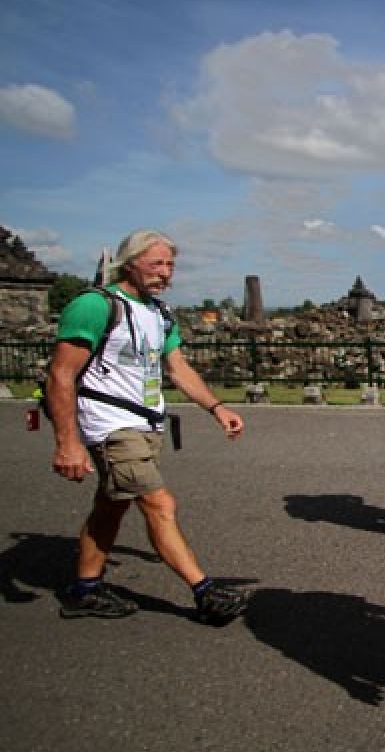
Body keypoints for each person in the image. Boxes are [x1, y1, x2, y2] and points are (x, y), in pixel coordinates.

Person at [46, 229, 249, 625]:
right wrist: (67, 443)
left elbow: (178, 368)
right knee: (159, 502)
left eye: (170, 265)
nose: (165, 272)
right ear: (130, 262)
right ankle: (204, 591)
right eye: (157, 263)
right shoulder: (94, 306)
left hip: (145, 422)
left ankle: (85, 590)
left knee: (111, 505)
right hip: (110, 423)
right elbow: (61, 375)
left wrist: (216, 407)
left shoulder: (158, 312)